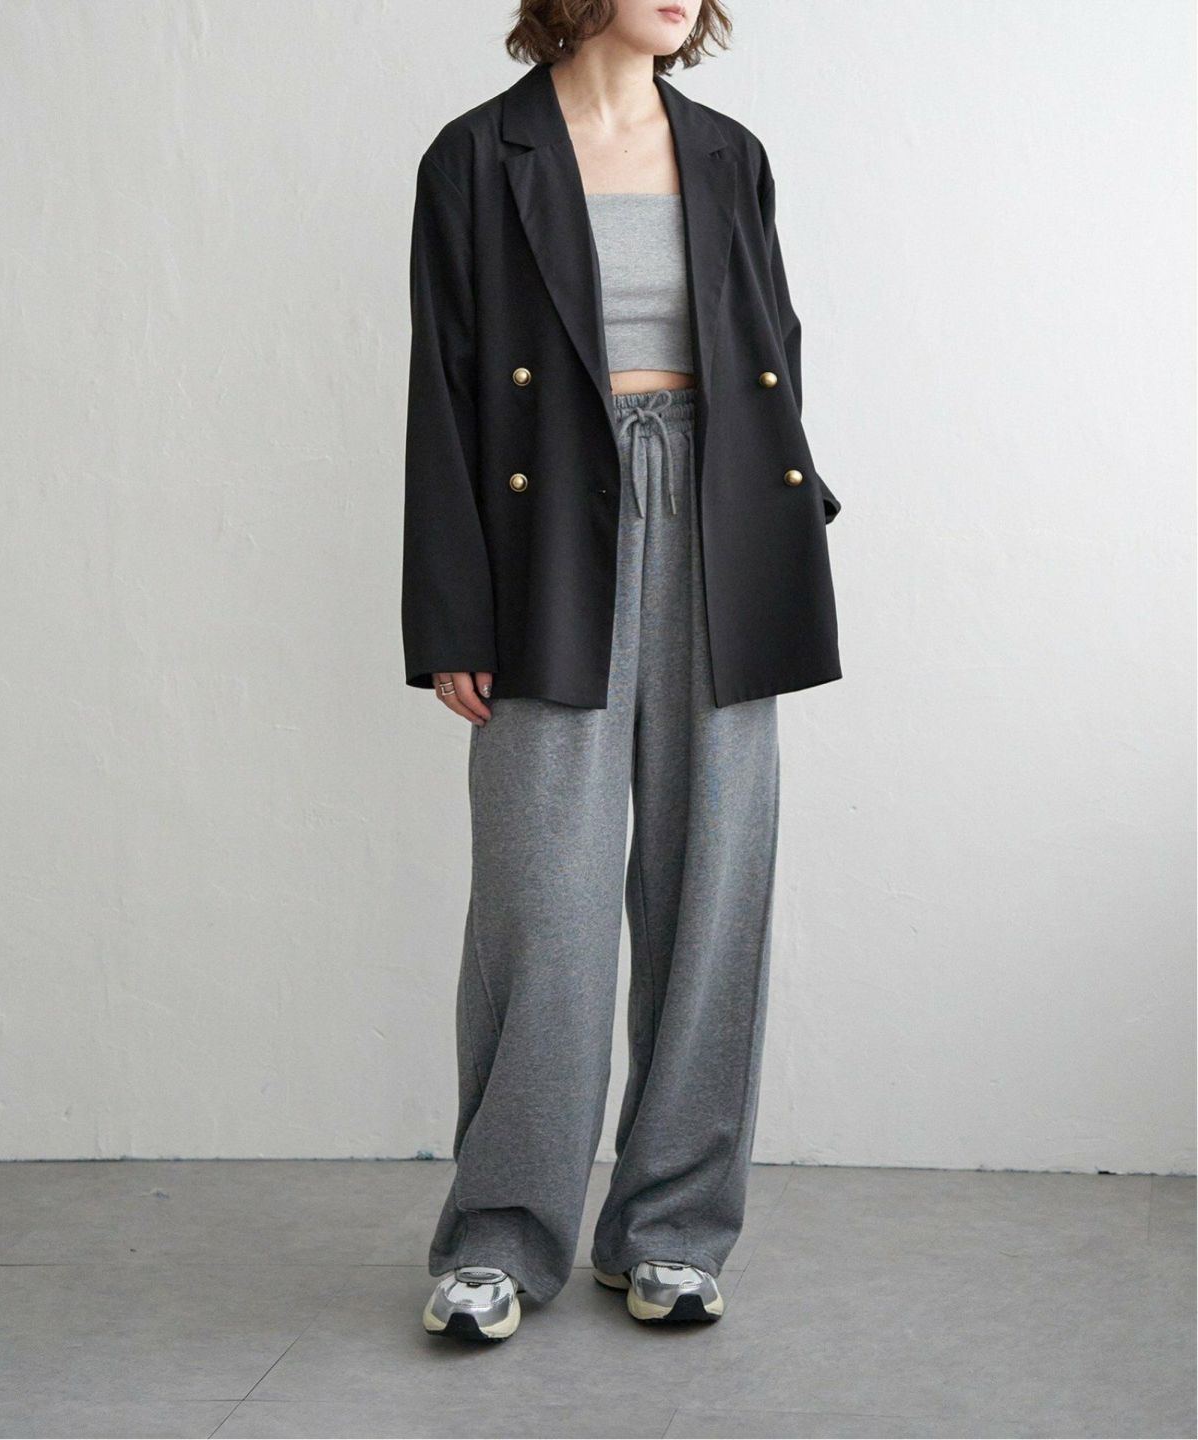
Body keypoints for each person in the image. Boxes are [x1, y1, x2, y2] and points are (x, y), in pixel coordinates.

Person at [403, 0, 843, 1343]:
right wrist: (453, 613)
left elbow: (774, 347)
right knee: (544, 903)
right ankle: (499, 1236)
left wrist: (796, 518)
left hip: (720, 526)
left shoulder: (728, 154)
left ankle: (672, 1233)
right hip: (550, 537)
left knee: (713, 896)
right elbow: (444, 386)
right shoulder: (477, 157)